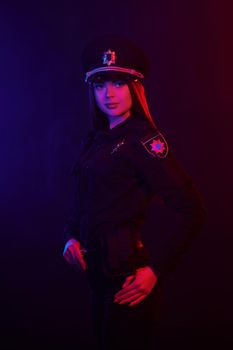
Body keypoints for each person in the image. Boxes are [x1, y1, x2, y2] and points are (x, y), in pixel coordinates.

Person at [62, 35, 206, 350]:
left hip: (128, 278)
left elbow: (192, 210)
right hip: (96, 277)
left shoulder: (145, 142)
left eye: (118, 83)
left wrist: (156, 270)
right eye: (100, 85)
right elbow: (83, 200)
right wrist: (71, 236)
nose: (108, 94)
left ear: (135, 88)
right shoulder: (95, 142)